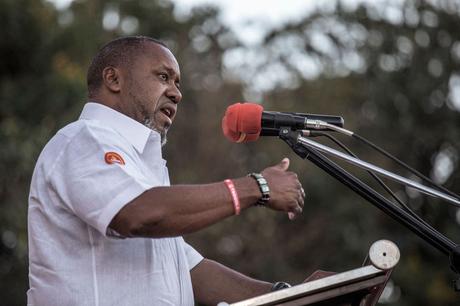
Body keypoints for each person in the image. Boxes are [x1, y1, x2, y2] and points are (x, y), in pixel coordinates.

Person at [27, 36, 307, 306]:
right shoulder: (82, 139)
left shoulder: (142, 163)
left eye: (177, 82)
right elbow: (138, 215)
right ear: (113, 79)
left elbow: (186, 269)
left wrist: (294, 296)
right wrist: (257, 187)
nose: (176, 92)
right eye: (163, 77)